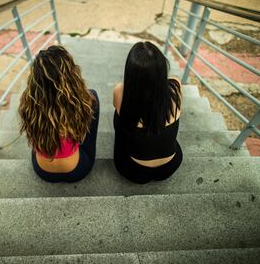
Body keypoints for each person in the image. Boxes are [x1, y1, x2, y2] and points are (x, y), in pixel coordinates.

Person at [19, 45, 99, 183]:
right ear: (71, 75)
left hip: (42, 170)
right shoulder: (84, 101)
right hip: (77, 170)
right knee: (93, 98)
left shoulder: (28, 103)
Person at [113, 41, 183, 184]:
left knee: (119, 117)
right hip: (170, 165)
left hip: (133, 171)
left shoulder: (120, 92)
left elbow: (118, 109)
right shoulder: (175, 86)